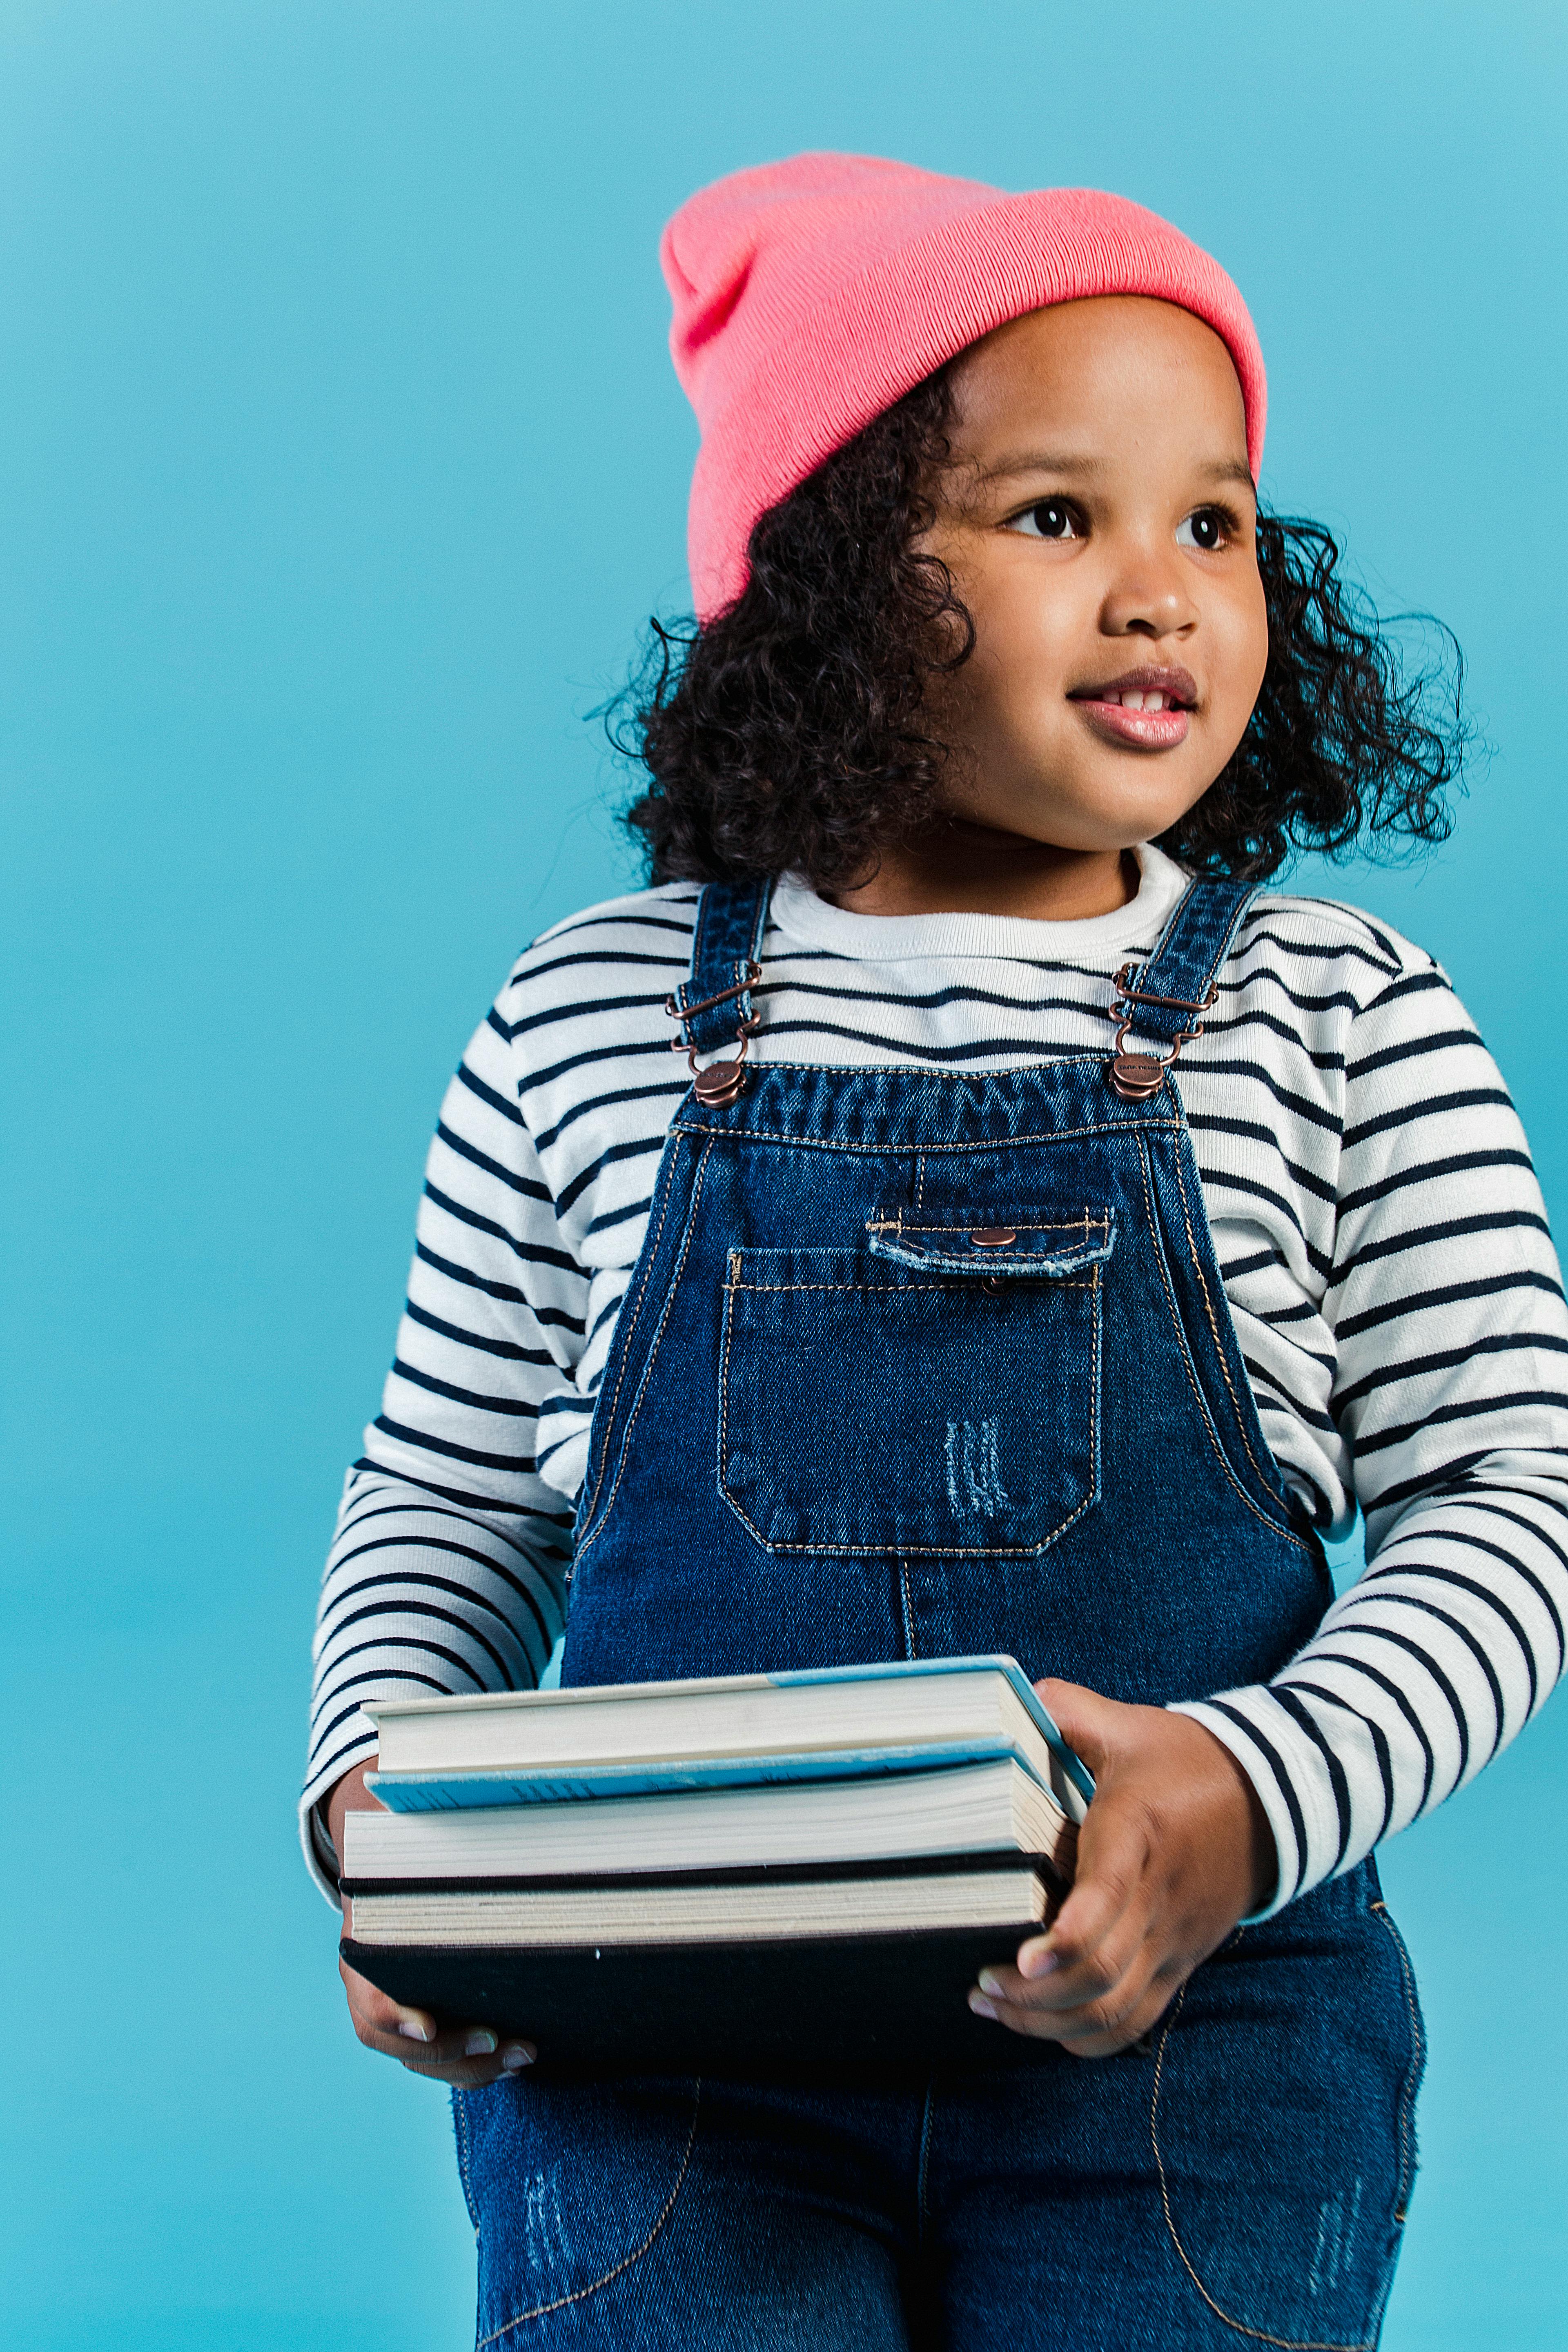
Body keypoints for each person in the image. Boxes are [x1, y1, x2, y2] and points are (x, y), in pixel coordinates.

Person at [302, 155, 1568, 2347]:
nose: (1166, 590)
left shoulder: (1342, 1014)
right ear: (824, 584)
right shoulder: (586, 1017)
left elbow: (1512, 1501)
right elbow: (443, 1495)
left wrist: (1250, 1804)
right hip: (661, 2059)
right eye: (1059, 518)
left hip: (1195, 2061)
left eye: (1218, 521)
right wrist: (396, 1801)